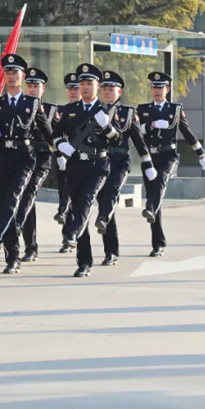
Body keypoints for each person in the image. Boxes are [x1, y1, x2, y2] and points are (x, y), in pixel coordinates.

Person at [0, 54, 54, 274]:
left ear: (22, 76)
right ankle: (12, 258)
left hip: (25, 157)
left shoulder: (32, 103)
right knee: (5, 204)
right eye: (8, 73)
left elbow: (47, 131)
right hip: (4, 156)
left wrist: (60, 149)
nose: (11, 77)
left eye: (15, 73)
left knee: (13, 198)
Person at [52, 63, 121, 278]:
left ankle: (73, 234)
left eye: (89, 83)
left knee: (86, 202)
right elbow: (55, 133)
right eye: (82, 83)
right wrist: (60, 145)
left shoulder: (107, 110)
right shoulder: (70, 110)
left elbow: (117, 140)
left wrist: (107, 127)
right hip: (75, 166)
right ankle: (84, 262)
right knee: (77, 209)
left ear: (97, 85)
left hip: (98, 166)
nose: (85, 87)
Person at [137, 71, 205, 257]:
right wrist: (152, 125)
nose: (157, 90)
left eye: (160, 87)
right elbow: (137, 131)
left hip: (168, 155)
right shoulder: (143, 109)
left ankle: (150, 208)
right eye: (154, 87)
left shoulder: (175, 110)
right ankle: (158, 243)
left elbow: (187, 132)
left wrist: (201, 154)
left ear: (167, 90)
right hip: (150, 157)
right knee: (154, 195)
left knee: (161, 180)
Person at [94, 70, 154, 266]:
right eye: (105, 89)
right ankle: (110, 251)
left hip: (119, 161)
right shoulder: (95, 110)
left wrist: (147, 163)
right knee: (104, 202)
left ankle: (103, 220)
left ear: (119, 92)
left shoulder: (128, 113)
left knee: (112, 192)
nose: (107, 92)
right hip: (98, 162)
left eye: (111, 89)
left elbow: (138, 140)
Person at [13, 67, 58, 263]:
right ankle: (30, 247)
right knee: (25, 200)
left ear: (43, 88)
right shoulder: (19, 105)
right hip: (23, 157)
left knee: (29, 191)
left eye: (36, 86)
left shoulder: (51, 110)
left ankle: (17, 227)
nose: (32, 89)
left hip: (41, 158)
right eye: (29, 86)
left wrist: (61, 153)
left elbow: (58, 135)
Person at [53, 73, 81, 239]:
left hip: (81, 158)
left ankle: (71, 231)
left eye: (75, 88)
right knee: (63, 191)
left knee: (75, 197)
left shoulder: (86, 111)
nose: (72, 92)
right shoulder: (61, 111)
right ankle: (66, 236)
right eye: (70, 89)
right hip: (63, 157)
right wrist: (59, 154)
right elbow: (54, 135)